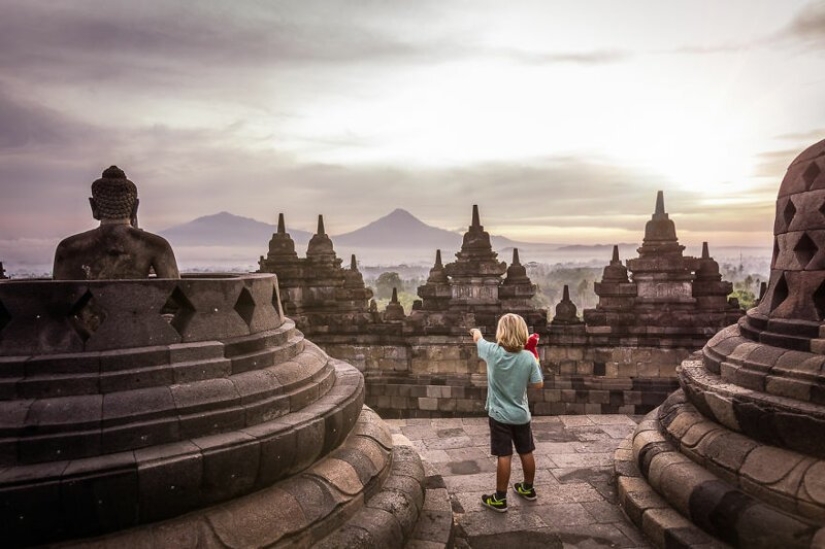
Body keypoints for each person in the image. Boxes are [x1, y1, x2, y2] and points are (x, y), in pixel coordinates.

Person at [470, 313, 544, 512]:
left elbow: (479, 339)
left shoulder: (492, 352)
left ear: (500, 332)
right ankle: (528, 488)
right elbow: (538, 384)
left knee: (504, 455)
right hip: (521, 415)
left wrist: (475, 332)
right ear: (523, 333)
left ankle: (500, 498)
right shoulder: (528, 357)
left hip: (499, 416)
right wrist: (531, 358)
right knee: (526, 451)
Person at [53, 165, 180, 280]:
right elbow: (176, 295)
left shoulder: (69, 248)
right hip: (140, 305)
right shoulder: (157, 246)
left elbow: (58, 299)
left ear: (93, 206)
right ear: (135, 208)